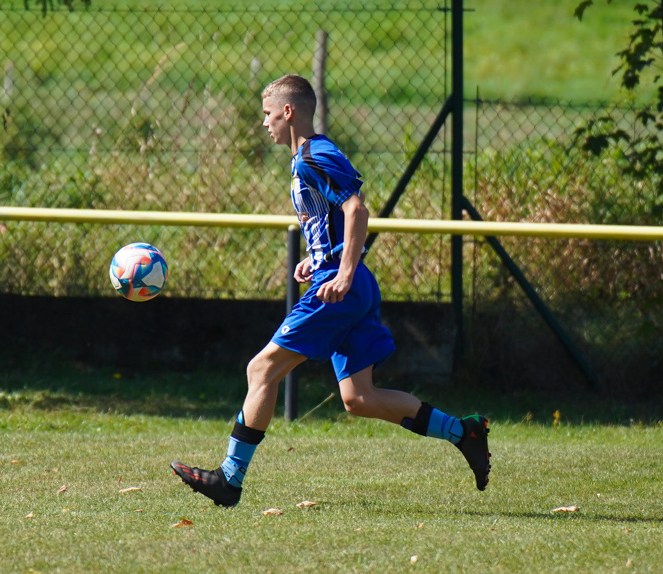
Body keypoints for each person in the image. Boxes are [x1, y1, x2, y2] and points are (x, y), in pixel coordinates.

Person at [170, 74, 491, 507]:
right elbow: (335, 221)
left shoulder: (312, 157)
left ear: (288, 111)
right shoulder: (308, 156)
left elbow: (357, 209)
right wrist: (319, 258)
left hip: (340, 289)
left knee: (261, 370)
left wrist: (340, 271)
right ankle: (463, 431)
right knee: (359, 398)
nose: (263, 124)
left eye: (267, 114)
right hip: (347, 284)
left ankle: (229, 479)